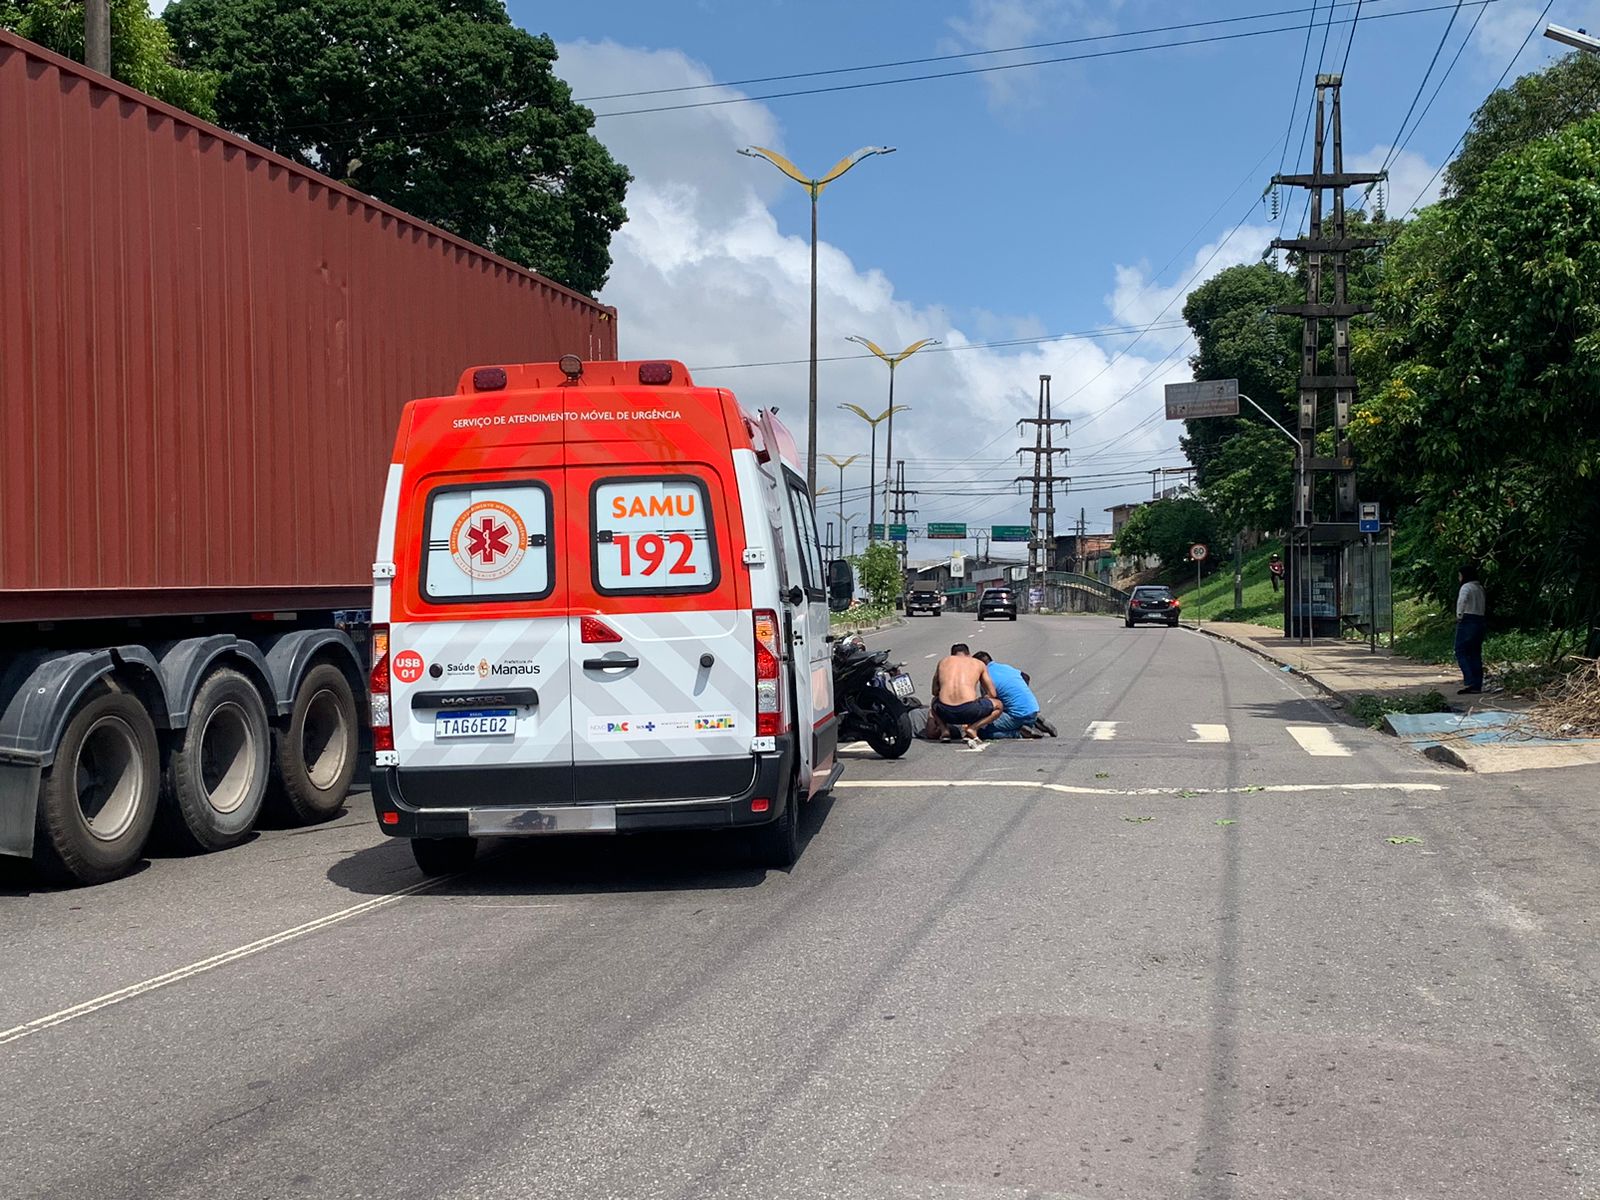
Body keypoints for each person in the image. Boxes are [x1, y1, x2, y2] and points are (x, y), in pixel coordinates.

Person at [926, 643, 1003, 747]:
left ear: (952, 655)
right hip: (969, 711)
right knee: (998, 705)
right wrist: (981, 699)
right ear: (969, 654)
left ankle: (944, 731)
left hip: (945, 711)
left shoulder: (943, 662)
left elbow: (934, 691)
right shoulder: (978, 663)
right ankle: (973, 728)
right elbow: (992, 693)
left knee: (934, 700)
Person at [972, 653, 1048, 739]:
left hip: (1017, 716)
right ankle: (1034, 722)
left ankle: (1019, 733)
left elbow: (988, 705)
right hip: (1033, 709)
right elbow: (1026, 677)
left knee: (982, 730)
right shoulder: (1005, 667)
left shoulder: (986, 678)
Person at [1455, 563, 1488, 695]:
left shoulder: (1466, 587)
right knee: (1475, 653)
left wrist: (1459, 616)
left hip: (1467, 619)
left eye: (1459, 575)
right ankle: (1477, 684)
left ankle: (1469, 679)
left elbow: (1461, 601)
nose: (1459, 578)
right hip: (1480, 620)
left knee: (1461, 650)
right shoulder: (1480, 588)